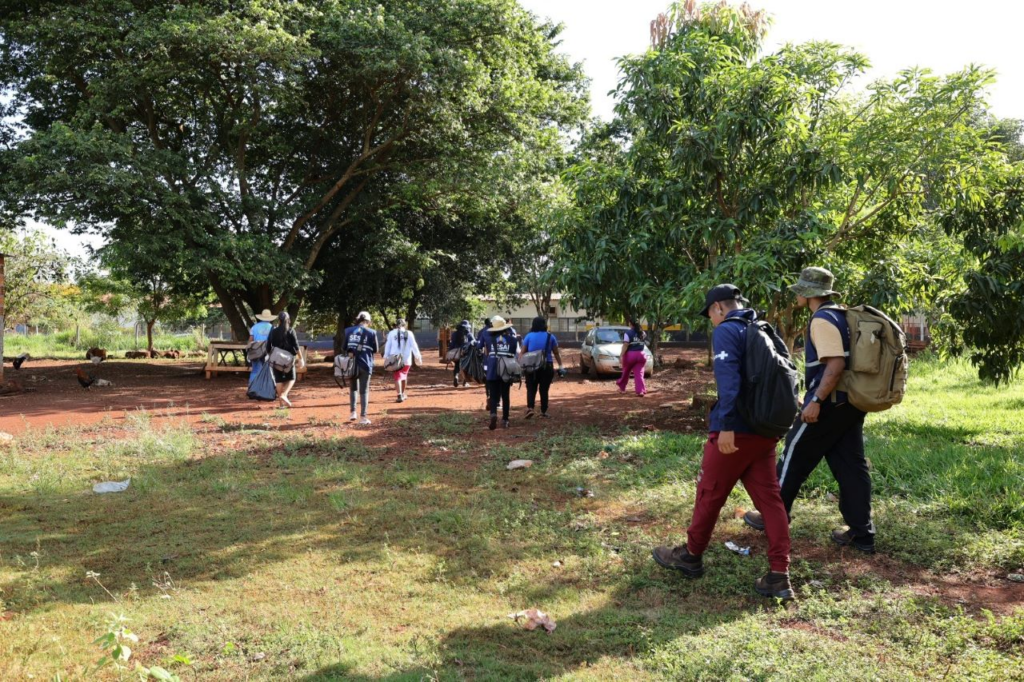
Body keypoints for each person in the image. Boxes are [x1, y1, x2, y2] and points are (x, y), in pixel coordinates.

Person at [652, 284, 794, 600]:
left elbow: (728, 382)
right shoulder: (763, 328)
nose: (711, 320)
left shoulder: (728, 330)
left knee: (709, 493)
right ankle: (778, 575)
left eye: (710, 314)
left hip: (736, 431)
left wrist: (727, 425)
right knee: (771, 501)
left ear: (718, 307)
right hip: (764, 430)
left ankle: (690, 556)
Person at [743, 267, 875, 553]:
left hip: (829, 404)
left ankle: (772, 516)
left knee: (793, 454)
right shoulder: (841, 316)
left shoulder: (822, 320)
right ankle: (862, 533)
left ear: (808, 293)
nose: (798, 295)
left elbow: (835, 364)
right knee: (851, 466)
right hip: (849, 403)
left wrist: (816, 400)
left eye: (800, 290)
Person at [518, 316, 565, 419]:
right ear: (544, 325)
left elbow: (522, 352)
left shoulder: (529, 336)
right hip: (546, 366)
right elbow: (556, 353)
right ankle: (543, 411)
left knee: (531, 388)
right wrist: (561, 365)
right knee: (544, 389)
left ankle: (530, 408)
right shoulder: (550, 336)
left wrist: (520, 366)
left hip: (531, 367)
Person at [480, 315, 519, 430]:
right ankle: (505, 420)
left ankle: (493, 414)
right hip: (506, 368)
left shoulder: (489, 339)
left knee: (493, 394)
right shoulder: (512, 339)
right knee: (505, 394)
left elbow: (486, 352)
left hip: (492, 367)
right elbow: (512, 354)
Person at [345, 311, 379, 425]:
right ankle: (363, 417)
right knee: (364, 390)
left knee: (353, 388)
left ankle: (352, 412)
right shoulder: (372, 332)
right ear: (368, 321)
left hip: (352, 364)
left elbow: (344, 347)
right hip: (365, 364)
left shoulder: (348, 331)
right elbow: (375, 350)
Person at [384, 318, 422, 403]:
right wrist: (418, 356)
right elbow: (414, 346)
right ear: (404, 325)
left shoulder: (391, 333)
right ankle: (403, 393)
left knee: (397, 376)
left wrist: (386, 357)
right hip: (406, 359)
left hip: (395, 359)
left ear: (396, 325)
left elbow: (388, 346)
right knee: (404, 376)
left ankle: (399, 394)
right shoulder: (409, 333)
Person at [268, 311, 300, 407]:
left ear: (279, 320)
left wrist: (269, 354)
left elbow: (268, 345)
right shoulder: (291, 330)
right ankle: (284, 395)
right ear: (288, 320)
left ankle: (281, 404)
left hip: (276, 359)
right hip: (288, 360)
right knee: (292, 378)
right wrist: (301, 358)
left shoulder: (273, 331)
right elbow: (296, 346)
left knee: (278, 380)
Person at [616, 319, 648, 396]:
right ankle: (640, 391)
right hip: (641, 355)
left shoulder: (628, 333)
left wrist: (621, 355)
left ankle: (622, 388)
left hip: (630, 355)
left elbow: (625, 345)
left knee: (626, 372)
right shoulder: (643, 333)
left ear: (630, 324)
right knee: (639, 374)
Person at [247, 308, 276, 384]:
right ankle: (266, 388)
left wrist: (248, 351)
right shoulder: (273, 328)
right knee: (268, 370)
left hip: (256, 351)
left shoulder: (254, 327)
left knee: (255, 370)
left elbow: (251, 340)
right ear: (270, 318)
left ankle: (252, 388)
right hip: (268, 351)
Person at [450, 319, 474, 388]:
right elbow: (474, 342)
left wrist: (451, 352)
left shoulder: (455, 333)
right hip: (466, 352)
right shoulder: (469, 334)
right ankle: (465, 382)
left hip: (457, 352)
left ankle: (456, 376)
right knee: (466, 366)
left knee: (457, 366)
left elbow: (452, 344)